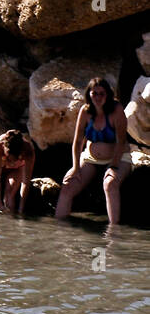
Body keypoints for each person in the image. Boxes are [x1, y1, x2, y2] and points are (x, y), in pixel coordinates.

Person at [55, 77, 132, 224]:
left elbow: (121, 142)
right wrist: (76, 167)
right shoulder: (85, 111)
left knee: (110, 184)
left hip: (119, 157)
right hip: (90, 159)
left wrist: (114, 166)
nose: (97, 97)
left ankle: (113, 233)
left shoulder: (116, 110)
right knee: (68, 184)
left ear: (108, 94)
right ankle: (59, 228)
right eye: (94, 93)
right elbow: (77, 142)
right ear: (88, 94)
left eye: (101, 93)